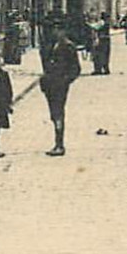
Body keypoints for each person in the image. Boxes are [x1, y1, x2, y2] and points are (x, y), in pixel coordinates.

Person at [39, 20, 82, 156]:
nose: (54, 32)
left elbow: (76, 69)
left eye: (57, 30)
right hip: (49, 83)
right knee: (53, 113)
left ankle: (59, 145)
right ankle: (57, 143)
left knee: (58, 112)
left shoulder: (68, 46)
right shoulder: (50, 45)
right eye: (53, 30)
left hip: (60, 84)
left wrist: (66, 81)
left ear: (63, 31)